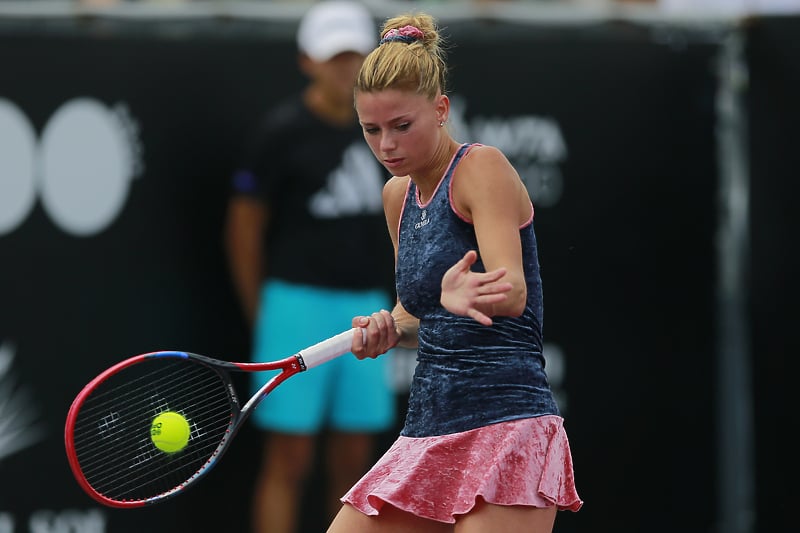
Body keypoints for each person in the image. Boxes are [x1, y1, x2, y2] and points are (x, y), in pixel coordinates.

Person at [326, 12, 584, 533]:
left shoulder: (480, 168)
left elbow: (512, 292)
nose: (387, 145)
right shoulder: (396, 195)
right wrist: (388, 330)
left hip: (507, 425)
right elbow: (412, 318)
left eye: (402, 126)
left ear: (440, 109)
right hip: (428, 429)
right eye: (371, 130)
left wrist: (461, 294)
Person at [223, 2, 396, 532]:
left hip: (367, 308)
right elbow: (244, 228)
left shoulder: (390, 134)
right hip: (295, 305)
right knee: (289, 461)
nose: (345, 68)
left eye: (355, 57)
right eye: (334, 57)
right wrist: (266, 311)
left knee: (356, 468)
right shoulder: (281, 133)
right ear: (307, 60)